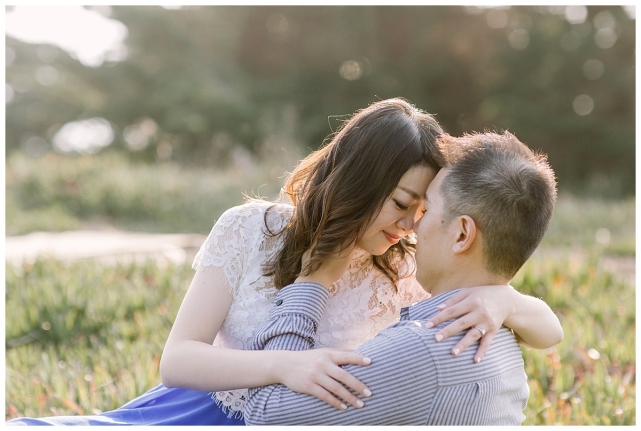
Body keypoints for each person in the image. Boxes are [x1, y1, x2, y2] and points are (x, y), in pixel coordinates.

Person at [7, 100, 562, 426]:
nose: (411, 224)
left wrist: (505, 299)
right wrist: (280, 367)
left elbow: (549, 331)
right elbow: (178, 361)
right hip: (195, 413)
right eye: (399, 203)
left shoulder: (404, 267)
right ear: (358, 182)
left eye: (422, 210)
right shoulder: (251, 229)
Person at [244, 131, 559, 425]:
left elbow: (265, 415)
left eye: (428, 209)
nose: (413, 228)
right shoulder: (502, 329)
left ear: (462, 234)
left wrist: (312, 282)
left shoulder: (421, 349)